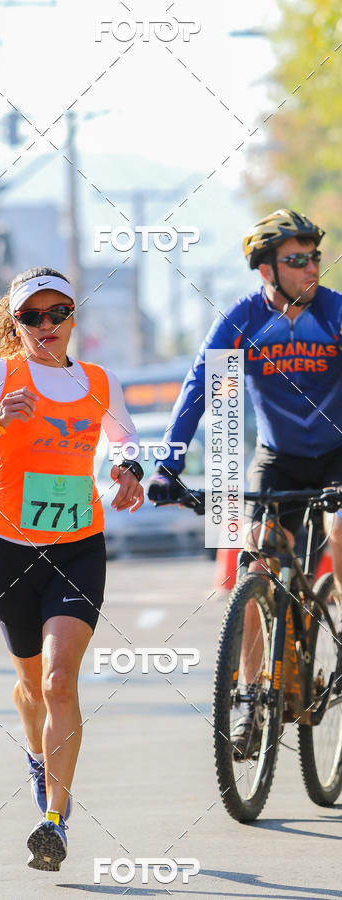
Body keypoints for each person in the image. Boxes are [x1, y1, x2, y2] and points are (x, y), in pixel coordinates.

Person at [0, 266, 144, 871]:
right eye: (31, 317)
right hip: (14, 550)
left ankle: (55, 819)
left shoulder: (99, 379)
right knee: (29, 687)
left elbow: (124, 436)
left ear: (73, 318)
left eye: (57, 314)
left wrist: (129, 468)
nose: (46, 326)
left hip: (79, 545)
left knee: (58, 681)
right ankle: (36, 756)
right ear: (15, 323)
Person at [147, 209, 342, 755]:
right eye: (296, 260)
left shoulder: (334, 313)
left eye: (315, 258)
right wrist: (169, 464)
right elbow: (199, 386)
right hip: (277, 457)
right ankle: (252, 700)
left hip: (336, 455)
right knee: (255, 562)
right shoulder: (245, 318)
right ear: (266, 270)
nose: (311, 268)